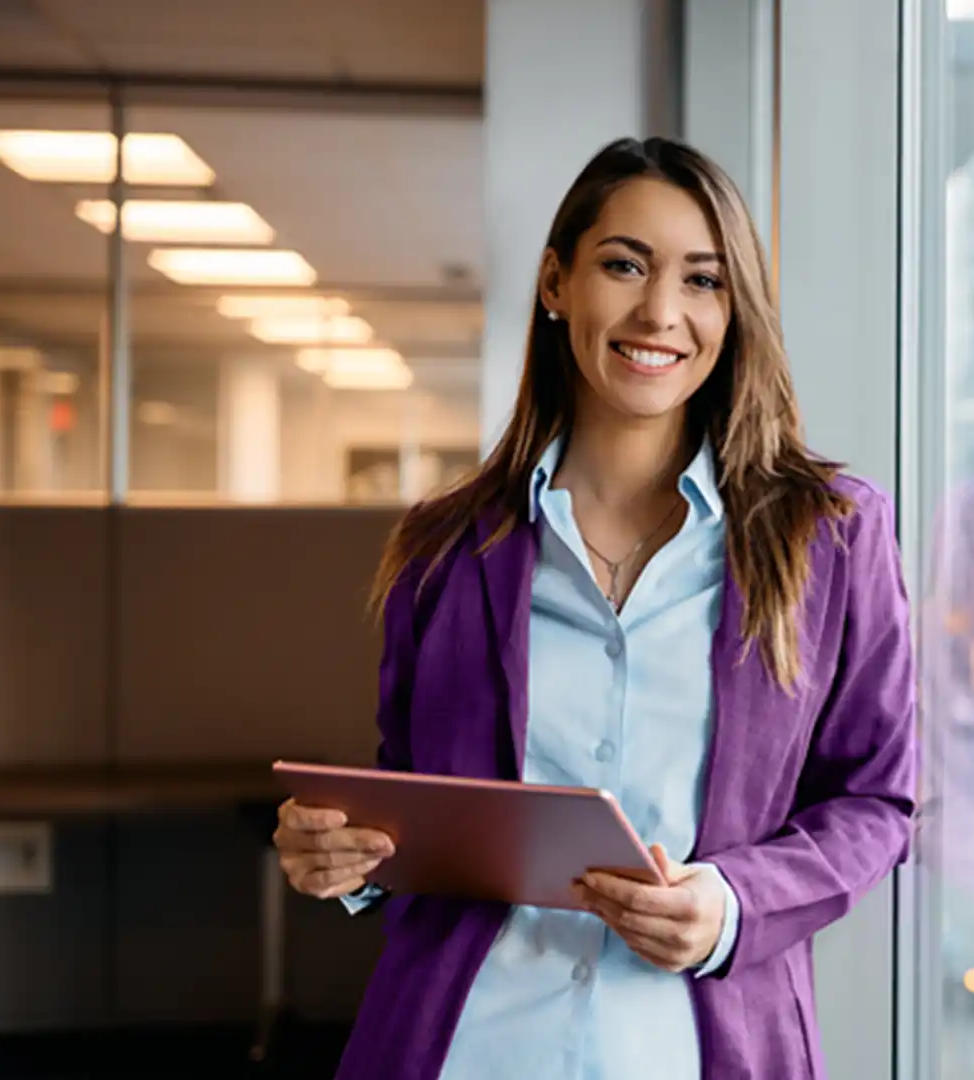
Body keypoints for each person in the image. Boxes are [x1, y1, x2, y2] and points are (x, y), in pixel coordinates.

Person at [269, 136, 918, 1080]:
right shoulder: (444, 550)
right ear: (555, 281)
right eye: (624, 265)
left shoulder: (833, 535)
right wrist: (346, 859)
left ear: (734, 312)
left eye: (703, 281)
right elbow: (414, 797)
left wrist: (733, 903)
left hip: (706, 1048)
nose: (661, 312)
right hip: (466, 1047)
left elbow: (877, 799)